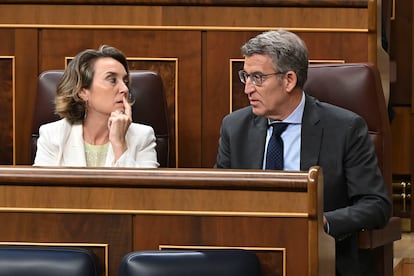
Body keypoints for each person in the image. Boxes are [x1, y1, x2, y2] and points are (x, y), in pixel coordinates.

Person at [214, 30, 391, 276]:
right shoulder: (235, 127)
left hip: (319, 259)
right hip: (248, 254)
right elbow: (218, 196)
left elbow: (376, 205)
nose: (247, 89)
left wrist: (322, 223)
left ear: (289, 80)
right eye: (246, 76)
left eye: (257, 78)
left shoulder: (344, 128)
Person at [33, 45, 159, 168]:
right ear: (82, 91)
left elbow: (143, 189)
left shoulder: (143, 137)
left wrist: (119, 145)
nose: (125, 89)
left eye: (125, 81)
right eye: (112, 80)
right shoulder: (52, 135)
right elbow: (41, 189)